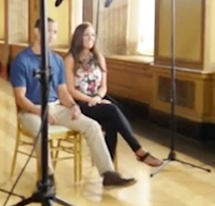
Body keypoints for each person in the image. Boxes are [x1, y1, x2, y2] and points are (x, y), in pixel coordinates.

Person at [9, 17, 136, 187]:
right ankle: (48, 177)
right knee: (41, 130)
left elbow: (62, 91)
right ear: (37, 32)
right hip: (31, 110)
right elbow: (20, 97)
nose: (52, 35)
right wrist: (40, 112)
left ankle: (108, 173)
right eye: (48, 31)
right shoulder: (22, 60)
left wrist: (74, 106)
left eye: (54, 32)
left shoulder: (56, 60)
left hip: (56, 107)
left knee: (92, 126)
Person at [64, 22, 163, 167]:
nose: (90, 38)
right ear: (78, 37)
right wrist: (91, 100)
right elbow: (70, 89)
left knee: (112, 121)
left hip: (96, 99)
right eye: (86, 35)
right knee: (112, 110)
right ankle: (138, 151)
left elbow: (104, 86)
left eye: (93, 35)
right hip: (79, 102)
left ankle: (108, 167)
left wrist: (98, 98)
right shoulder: (70, 58)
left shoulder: (99, 57)